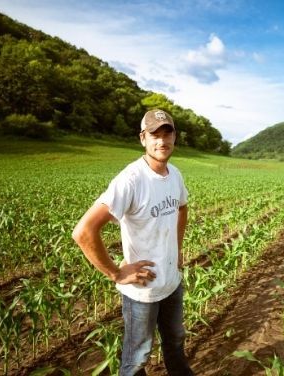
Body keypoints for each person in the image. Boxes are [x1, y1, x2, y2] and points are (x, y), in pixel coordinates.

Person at [72, 109, 193, 376]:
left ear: (175, 137)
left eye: (167, 134)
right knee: (137, 358)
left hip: (171, 281)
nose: (162, 141)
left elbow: (182, 207)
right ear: (143, 139)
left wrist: (177, 247)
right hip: (143, 290)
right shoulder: (131, 180)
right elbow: (83, 231)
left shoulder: (175, 175)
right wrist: (115, 272)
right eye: (155, 135)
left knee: (175, 342)